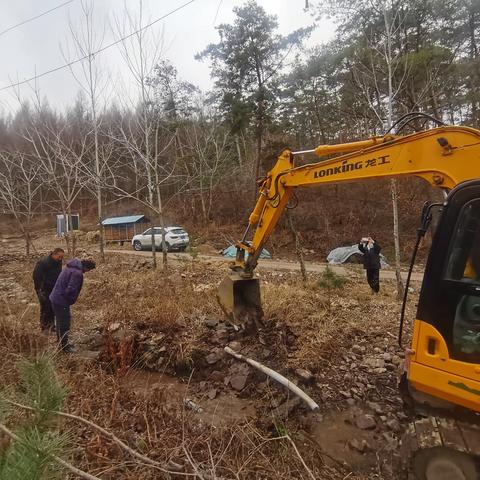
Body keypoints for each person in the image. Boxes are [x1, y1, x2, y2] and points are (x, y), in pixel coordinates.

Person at [49, 258, 96, 353]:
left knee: (59, 321)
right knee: (64, 323)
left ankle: (60, 342)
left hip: (55, 298)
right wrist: (69, 300)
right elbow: (70, 290)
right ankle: (64, 347)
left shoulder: (69, 267)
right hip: (61, 301)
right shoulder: (77, 274)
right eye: (89, 270)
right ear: (86, 268)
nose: (87, 272)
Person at [32, 248, 65, 334]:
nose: (61, 259)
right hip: (44, 289)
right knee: (45, 307)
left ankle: (51, 325)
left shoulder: (58, 262)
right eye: (59, 257)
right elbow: (36, 277)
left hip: (54, 288)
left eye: (62, 257)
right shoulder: (43, 263)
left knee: (52, 307)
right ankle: (44, 328)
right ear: (54, 254)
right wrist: (39, 291)